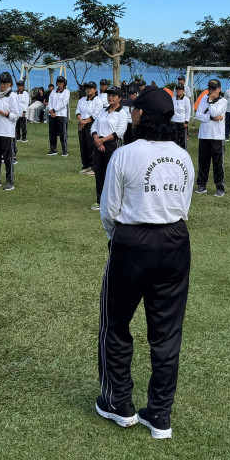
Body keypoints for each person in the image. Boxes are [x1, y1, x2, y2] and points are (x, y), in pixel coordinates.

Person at [95, 87, 195, 440]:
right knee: (167, 332)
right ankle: (160, 413)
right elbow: (184, 206)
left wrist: (119, 238)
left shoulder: (126, 154)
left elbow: (110, 210)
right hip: (174, 241)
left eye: (136, 110)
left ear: (140, 116)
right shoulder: (183, 157)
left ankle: (118, 402)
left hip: (132, 240)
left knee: (116, 323)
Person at [90, 85, 127, 210]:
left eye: (113, 96)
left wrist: (103, 140)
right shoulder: (103, 110)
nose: (110, 98)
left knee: (112, 174)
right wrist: (97, 140)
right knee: (99, 173)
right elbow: (94, 127)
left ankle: (114, 202)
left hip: (112, 145)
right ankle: (99, 200)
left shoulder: (122, 113)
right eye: (109, 95)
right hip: (98, 144)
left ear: (119, 98)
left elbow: (120, 132)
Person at [0, 72, 20, 191]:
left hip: (7, 131)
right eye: (1, 82)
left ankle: (10, 182)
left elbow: (16, 115)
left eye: (5, 83)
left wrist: (4, 113)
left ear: (10, 84)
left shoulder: (13, 96)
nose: (2, 85)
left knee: (8, 158)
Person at [193, 79, 227, 196]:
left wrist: (211, 102)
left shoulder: (223, 101)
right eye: (210, 88)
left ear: (219, 89)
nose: (211, 91)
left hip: (217, 136)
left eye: (213, 88)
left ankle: (219, 187)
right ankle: (202, 185)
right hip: (204, 134)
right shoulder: (203, 98)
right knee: (203, 161)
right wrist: (210, 118)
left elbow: (214, 113)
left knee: (218, 162)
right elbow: (198, 115)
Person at [76, 81, 102, 175]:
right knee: (83, 145)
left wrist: (84, 122)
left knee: (91, 145)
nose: (88, 90)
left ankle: (94, 167)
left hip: (92, 124)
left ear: (95, 90)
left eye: (90, 88)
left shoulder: (98, 101)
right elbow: (78, 111)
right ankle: (85, 166)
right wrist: (81, 121)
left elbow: (95, 114)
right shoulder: (82, 100)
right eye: (87, 88)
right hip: (81, 124)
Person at [46, 75, 70, 157]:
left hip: (61, 115)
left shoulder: (67, 92)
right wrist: (51, 110)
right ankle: (53, 149)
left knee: (63, 133)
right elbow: (50, 102)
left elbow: (64, 103)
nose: (59, 84)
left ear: (64, 83)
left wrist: (54, 110)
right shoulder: (53, 92)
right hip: (52, 114)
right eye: (58, 82)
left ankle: (64, 150)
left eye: (61, 82)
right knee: (52, 133)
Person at [171, 83, 192, 149]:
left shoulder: (186, 100)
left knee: (183, 141)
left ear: (183, 90)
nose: (178, 91)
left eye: (180, 89)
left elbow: (188, 111)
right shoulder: (173, 99)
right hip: (174, 122)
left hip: (182, 123)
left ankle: (184, 155)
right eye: (177, 89)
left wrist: (186, 121)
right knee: (174, 141)